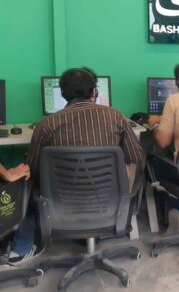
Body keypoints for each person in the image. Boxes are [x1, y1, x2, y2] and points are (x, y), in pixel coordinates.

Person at [10, 67, 144, 264]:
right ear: (94, 92)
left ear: (63, 94)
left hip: (62, 202)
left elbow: (34, 170)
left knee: (25, 182)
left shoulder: (46, 125)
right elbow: (137, 156)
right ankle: (99, 231)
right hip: (108, 199)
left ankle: (21, 248)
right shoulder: (116, 117)